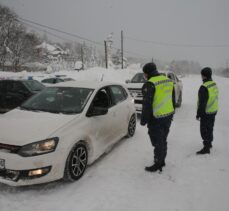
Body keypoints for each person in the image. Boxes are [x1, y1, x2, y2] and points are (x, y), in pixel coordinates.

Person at [140, 62, 175, 172]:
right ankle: (162, 160)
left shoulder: (150, 84)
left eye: (144, 73)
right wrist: (172, 112)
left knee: (157, 141)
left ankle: (158, 163)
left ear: (147, 73)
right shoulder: (168, 81)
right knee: (163, 140)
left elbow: (147, 105)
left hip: (157, 118)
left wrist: (143, 120)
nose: (144, 76)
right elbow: (172, 99)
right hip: (168, 116)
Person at [196, 67, 219, 154]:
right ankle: (209, 143)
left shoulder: (204, 87)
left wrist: (198, 114)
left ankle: (206, 147)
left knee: (204, 130)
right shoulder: (214, 84)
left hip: (206, 112)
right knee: (210, 128)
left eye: (202, 75)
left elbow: (202, 103)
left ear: (204, 76)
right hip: (213, 110)